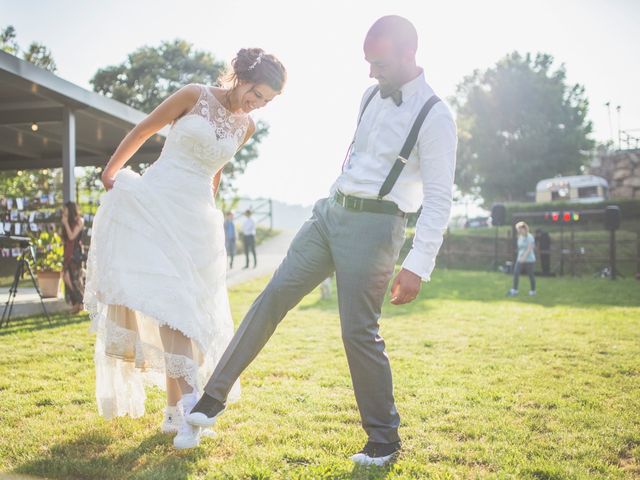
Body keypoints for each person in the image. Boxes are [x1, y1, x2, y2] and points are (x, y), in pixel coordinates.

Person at [186, 16, 457, 466]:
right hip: (329, 213)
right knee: (272, 297)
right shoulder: (370, 94)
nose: (371, 72)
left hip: (376, 228)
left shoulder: (435, 115)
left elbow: (441, 197)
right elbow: (359, 156)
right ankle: (210, 401)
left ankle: (384, 440)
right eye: (368, 62)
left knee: (358, 332)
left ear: (409, 55)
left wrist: (417, 263)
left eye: (379, 62)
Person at [83, 48, 286, 449]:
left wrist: (211, 214)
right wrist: (110, 171)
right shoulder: (193, 95)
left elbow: (216, 171)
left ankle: (174, 412)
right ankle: (193, 404)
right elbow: (142, 129)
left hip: (198, 222)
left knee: (186, 309)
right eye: (257, 94)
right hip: (157, 205)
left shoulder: (247, 128)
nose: (257, 105)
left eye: (266, 102)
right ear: (242, 76)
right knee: (169, 303)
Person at [61, 201, 85, 314]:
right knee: (65, 276)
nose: (63, 211)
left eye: (65, 209)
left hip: (75, 253)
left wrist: (65, 223)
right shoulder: (68, 222)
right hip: (67, 252)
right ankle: (77, 302)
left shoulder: (79, 221)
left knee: (75, 279)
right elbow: (65, 239)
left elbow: (71, 236)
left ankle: (80, 302)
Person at [508, 221, 536, 296]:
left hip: (529, 260)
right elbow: (520, 249)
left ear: (524, 228)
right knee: (516, 273)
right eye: (518, 229)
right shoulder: (520, 237)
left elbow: (530, 248)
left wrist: (524, 257)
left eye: (520, 229)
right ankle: (514, 290)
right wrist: (520, 258)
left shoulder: (530, 237)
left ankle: (533, 291)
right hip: (520, 259)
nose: (519, 231)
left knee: (530, 275)